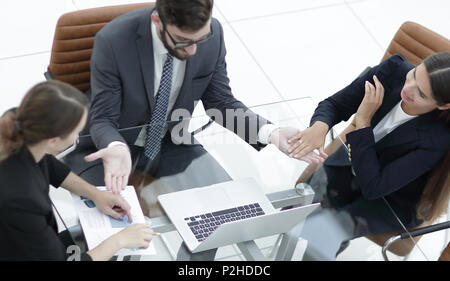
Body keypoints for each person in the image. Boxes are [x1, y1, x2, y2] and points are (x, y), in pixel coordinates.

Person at [64, 0, 324, 198]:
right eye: (182, 42)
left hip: (171, 141)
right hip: (114, 147)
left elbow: (221, 103)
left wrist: (271, 132)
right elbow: (103, 119)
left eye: (201, 38)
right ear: (157, 21)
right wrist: (116, 146)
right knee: (108, 230)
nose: (193, 50)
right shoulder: (113, 41)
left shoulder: (214, 35)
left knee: (227, 213)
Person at [287, 52, 450, 260]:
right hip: (352, 164)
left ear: (444, 105)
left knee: (322, 232)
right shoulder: (394, 70)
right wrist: (320, 127)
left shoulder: (438, 139)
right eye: (414, 75)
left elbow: (374, 187)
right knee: (292, 212)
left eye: (422, 94)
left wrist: (363, 121)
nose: (408, 89)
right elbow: (335, 104)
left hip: (390, 199)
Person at [0, 80, 155, 261]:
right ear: (53, 140)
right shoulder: (22, 200)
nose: (79, 136)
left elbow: (49, 164)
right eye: (77, 131)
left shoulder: (18, 123)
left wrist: (95, 194)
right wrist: (119, 241)